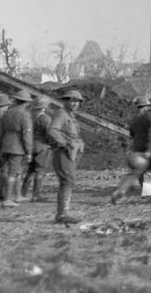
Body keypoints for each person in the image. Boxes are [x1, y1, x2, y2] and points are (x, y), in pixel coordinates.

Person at [111, 96, 151, 204]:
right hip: (150, 151)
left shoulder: (135, 119)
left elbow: (132, 134)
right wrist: (149, 150)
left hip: (136, 149)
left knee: (135, 173)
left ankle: (120, 192)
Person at [47, 89, 86, 224]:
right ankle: (62, 214)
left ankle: (64, 212)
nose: (75, 104)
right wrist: (64, 143)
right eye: (72, 101)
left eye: (77, 102)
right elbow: (52, 130)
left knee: (69, 180)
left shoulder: (70, 115)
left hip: (70, 152)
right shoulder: (61, 114)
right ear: (66, 101)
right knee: (67, 180)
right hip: (63, 152)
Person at [0, 88, 35, 205]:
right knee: (14, 173)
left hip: (6, 144)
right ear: (26, 102)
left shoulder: (8, 112)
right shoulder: (25, 115)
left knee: (16, 171)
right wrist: (29, 152)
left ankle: (18, 196)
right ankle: (8, 199)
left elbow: (2, 129)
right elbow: (27, 135)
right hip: (17, 146)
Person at [22, 95, 54, 202]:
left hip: (31, 146)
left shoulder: (29, 116)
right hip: (43, 146)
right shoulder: (45, 118)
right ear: (44, 106)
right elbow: (50, 133)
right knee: (40, 171)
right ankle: (36, 194)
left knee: (30, 170)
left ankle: (23, 193)